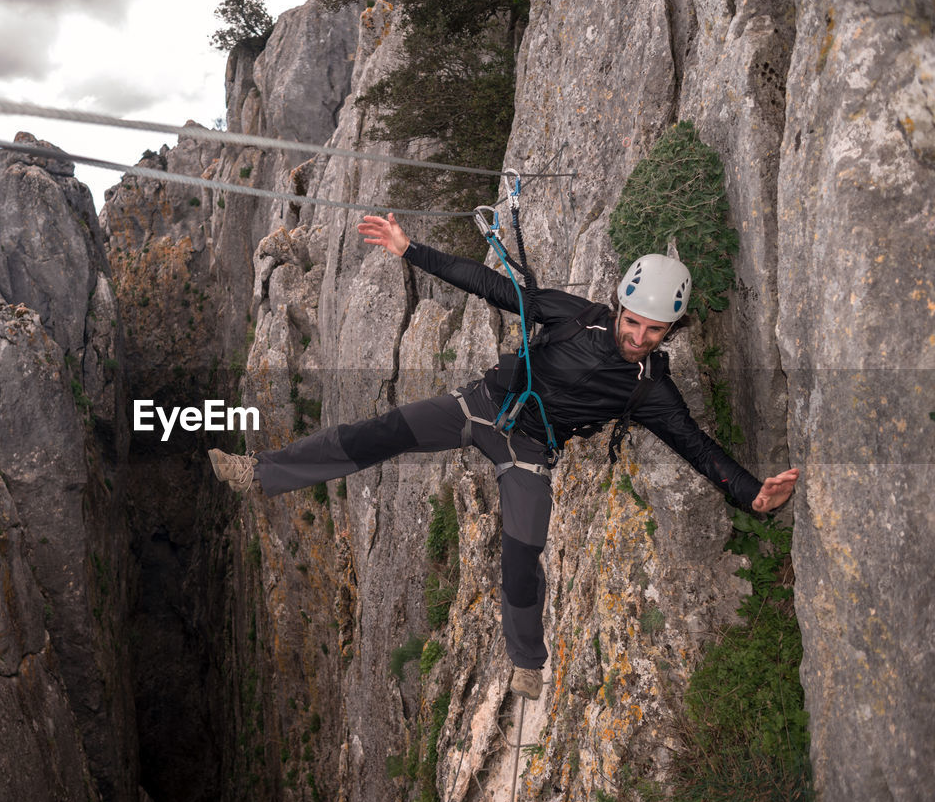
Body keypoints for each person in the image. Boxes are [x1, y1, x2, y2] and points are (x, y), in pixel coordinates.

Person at [209, 213, 799, 700]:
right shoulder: (574, 316)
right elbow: (493, 287)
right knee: (376, 434)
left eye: (654, 331)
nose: (638, 338)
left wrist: (750, 492)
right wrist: (410, 250)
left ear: (670, 331)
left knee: (522, 559)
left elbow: (695, 444)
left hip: (529, 453)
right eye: (634, 322)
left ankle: (526, 662)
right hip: (479, 406)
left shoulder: (651, 390)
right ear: (618, 305)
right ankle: (261, 474)